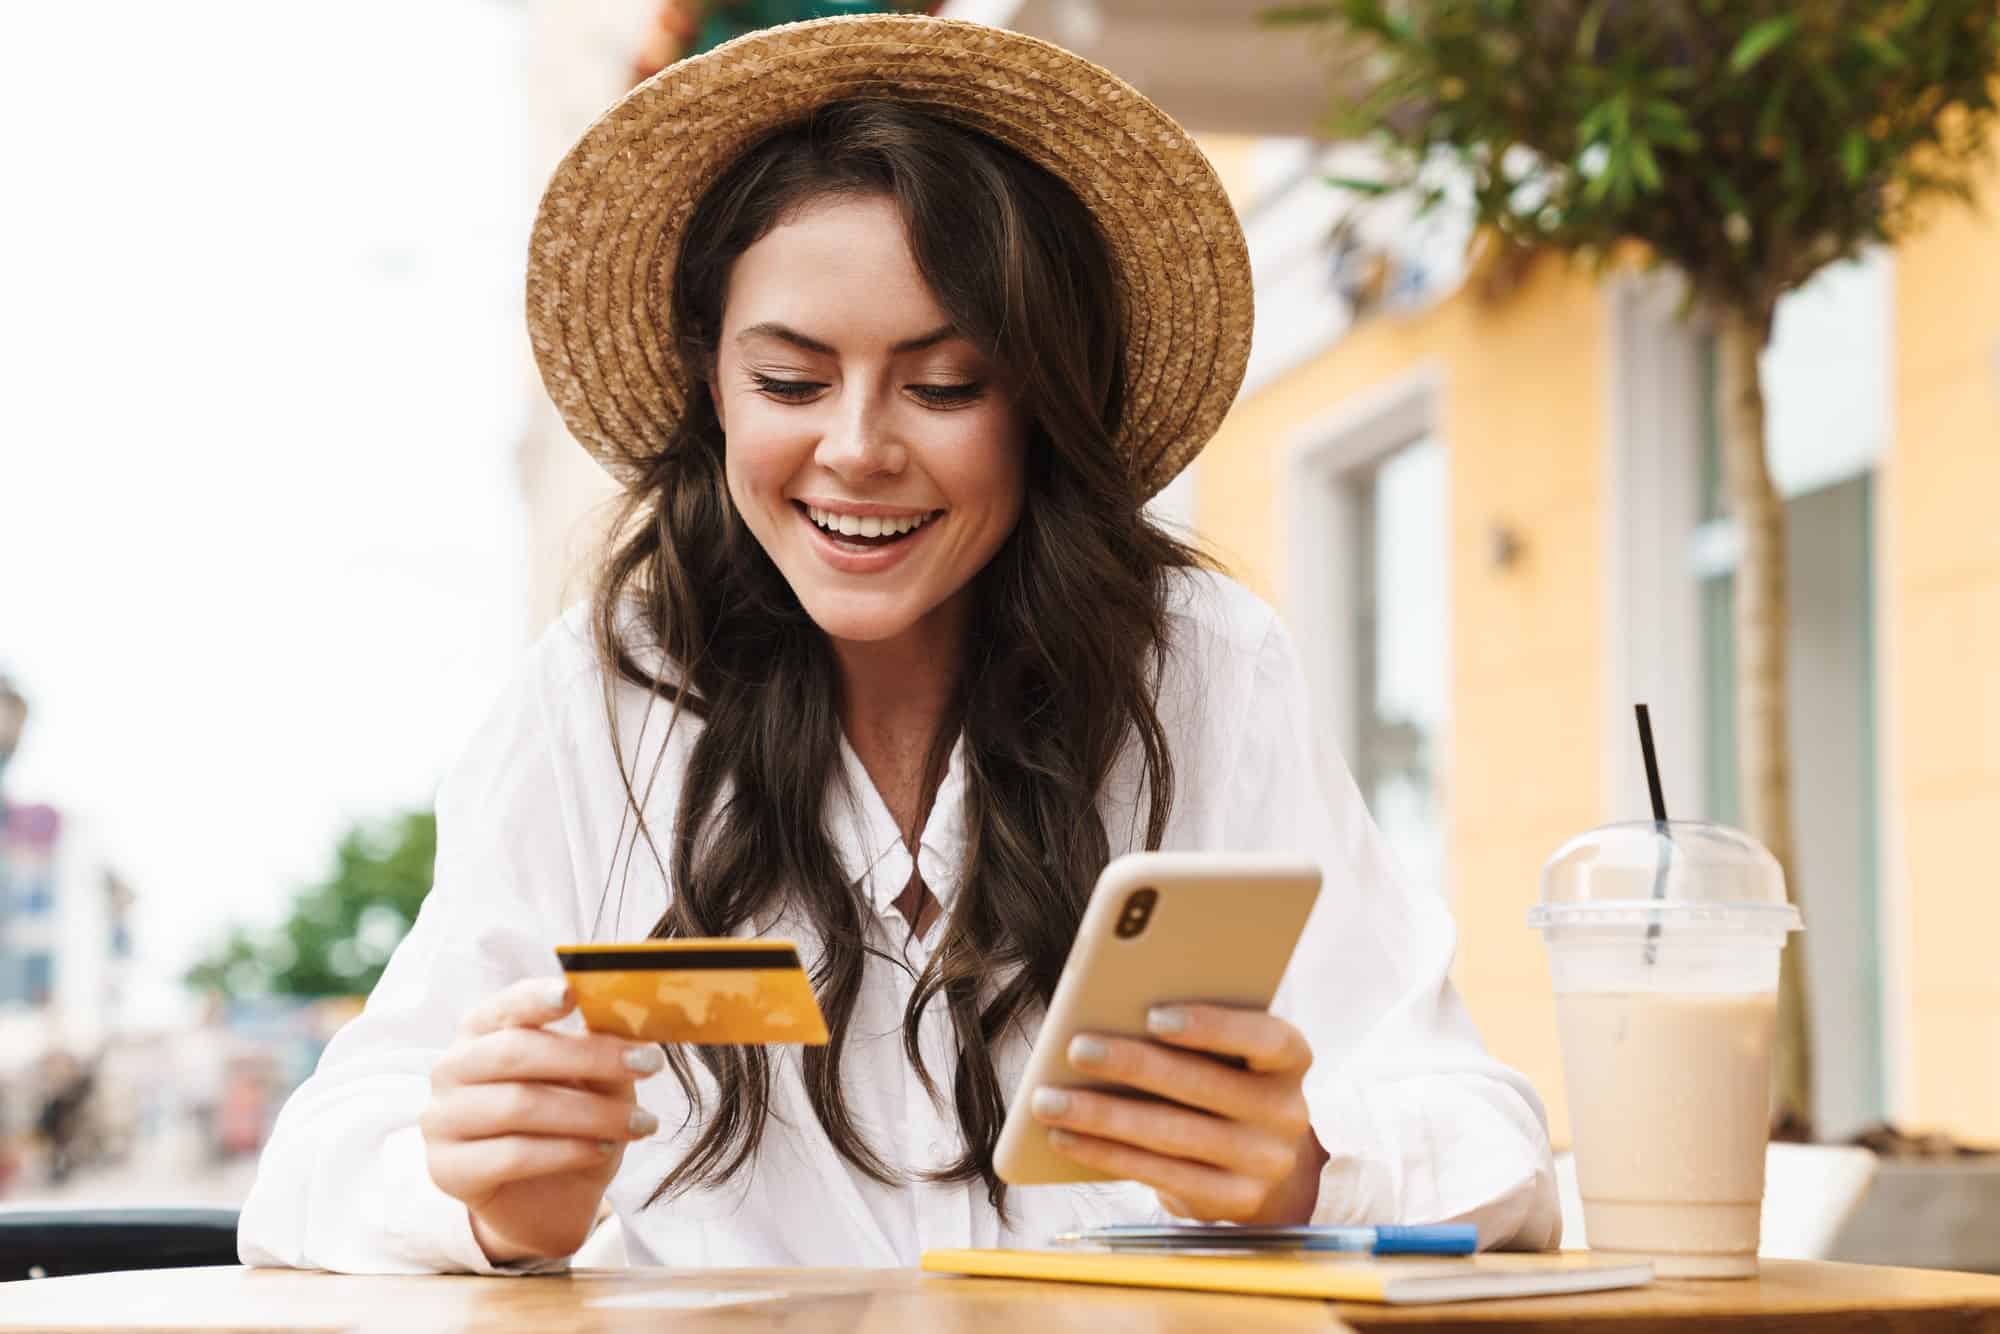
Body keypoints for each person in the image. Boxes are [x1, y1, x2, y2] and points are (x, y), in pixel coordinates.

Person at [239, 14, 1560, 1274]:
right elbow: (309, 1174)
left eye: (944, 385)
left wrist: (1313, 1170)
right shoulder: (599, 697)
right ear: (713, 387)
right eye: (791, 381)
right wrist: (478, 1197)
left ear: (1041, 399)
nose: (860, 447)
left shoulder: (1203, 670)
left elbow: (1495, 1149)